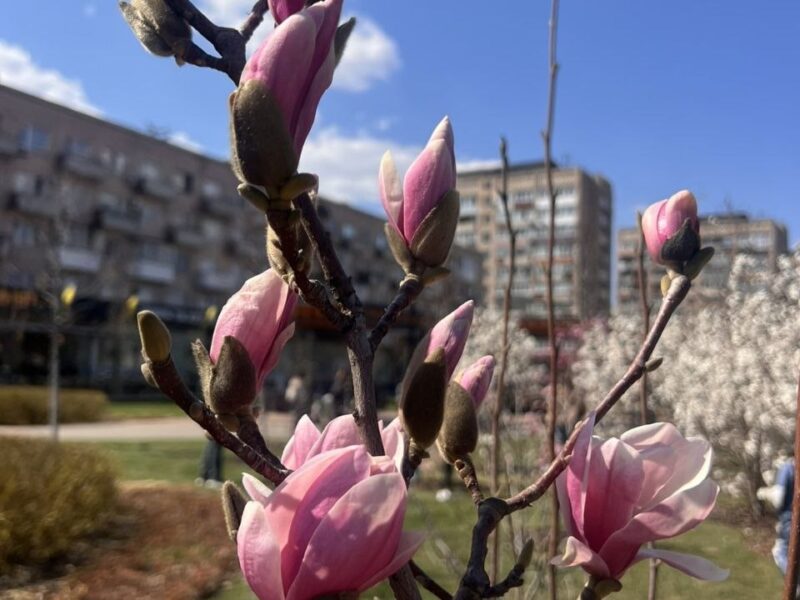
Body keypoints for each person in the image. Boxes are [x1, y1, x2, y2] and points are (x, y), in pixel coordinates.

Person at [759, 459, 795, 575]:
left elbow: (778, 498)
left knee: (779, 552)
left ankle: (797, 586)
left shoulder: (787, 468)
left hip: (790, 521)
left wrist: (763, 493)